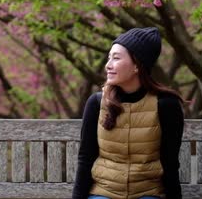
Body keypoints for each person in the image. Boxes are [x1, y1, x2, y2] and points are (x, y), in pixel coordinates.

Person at [72, 27, 184, 199]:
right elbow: (85, 158)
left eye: (116, 58)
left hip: (147, 193)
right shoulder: (97, 103)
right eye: (109, 58)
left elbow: (170, 164)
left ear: (137, 65)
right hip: (104, 192)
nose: (108, 65)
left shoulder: (166, 105)